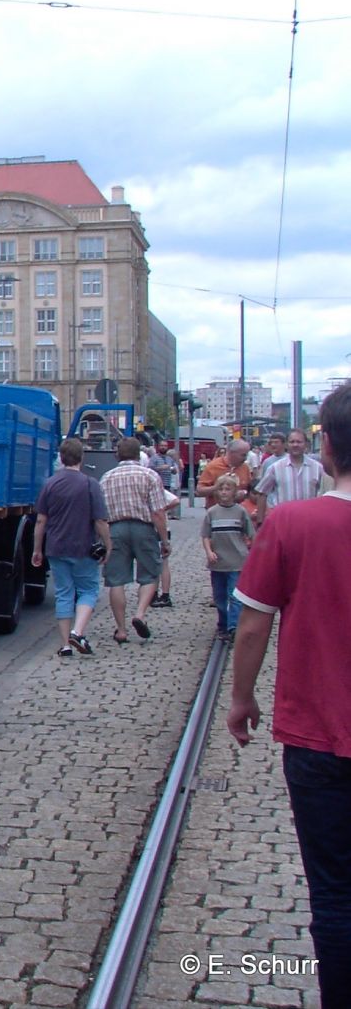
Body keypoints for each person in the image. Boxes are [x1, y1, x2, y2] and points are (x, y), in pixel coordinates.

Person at [228, 382, 351, 1008]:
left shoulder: (292, 523)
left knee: (334, 894)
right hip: (320, 734)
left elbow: (253, 622)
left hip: (320, 734)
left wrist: (241, 698)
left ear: (326, 447)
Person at [32, 437, 111, 657]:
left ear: (61, 457)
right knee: (88, 590)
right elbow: (100, 521)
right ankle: (78, 632)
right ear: (81, 458)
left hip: (56, 547)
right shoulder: (89, 484)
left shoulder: (50, 484)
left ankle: (65, 644)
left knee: (63, 593)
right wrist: (108, 544)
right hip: (83, 547)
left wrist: (37, 549)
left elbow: (41, 521)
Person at [100, 436, 169, 642]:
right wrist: (164, 540)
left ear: (117, 454)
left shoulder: (107, 477)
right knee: (150, 574)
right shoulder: (150, 475)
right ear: (139, 453)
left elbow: (101, 514)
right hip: (143, 528)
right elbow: (158, 512)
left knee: (116, 581)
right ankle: (139, 614)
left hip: (115, 530)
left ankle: (121, 630)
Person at [200, 474, 253, 635]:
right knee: (219, 597)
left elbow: (251, 534)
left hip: (237, 561)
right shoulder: (212, 513)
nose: (224, 492)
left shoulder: (240, 512)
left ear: (234, 492)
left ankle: (233, 626)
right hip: (218, 562)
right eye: (221, 489)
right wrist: (209, 552)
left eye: (227, 489)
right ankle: (223, 621)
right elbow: (205, 536)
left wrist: (252, 552)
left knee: (234, 595)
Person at [253, 427, 325, 526]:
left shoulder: (317, 468)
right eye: (292, 442)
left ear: (306, 445)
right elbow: (262, 493)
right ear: (287, 444)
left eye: (299, 442)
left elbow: (326, 494)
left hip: (310, 522)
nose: (295, 445)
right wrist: (260, 521)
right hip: (283, 522)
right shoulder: (275, 468)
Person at [196, 438, 254, 509]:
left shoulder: (245, 467)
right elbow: (200, 491)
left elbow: (250, 489)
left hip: (239, 512)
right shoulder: (213, 466)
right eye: (243, 455)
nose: (245, 458)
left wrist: (244, 494)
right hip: (217, 512)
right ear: (231, 453)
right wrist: (217, 488)